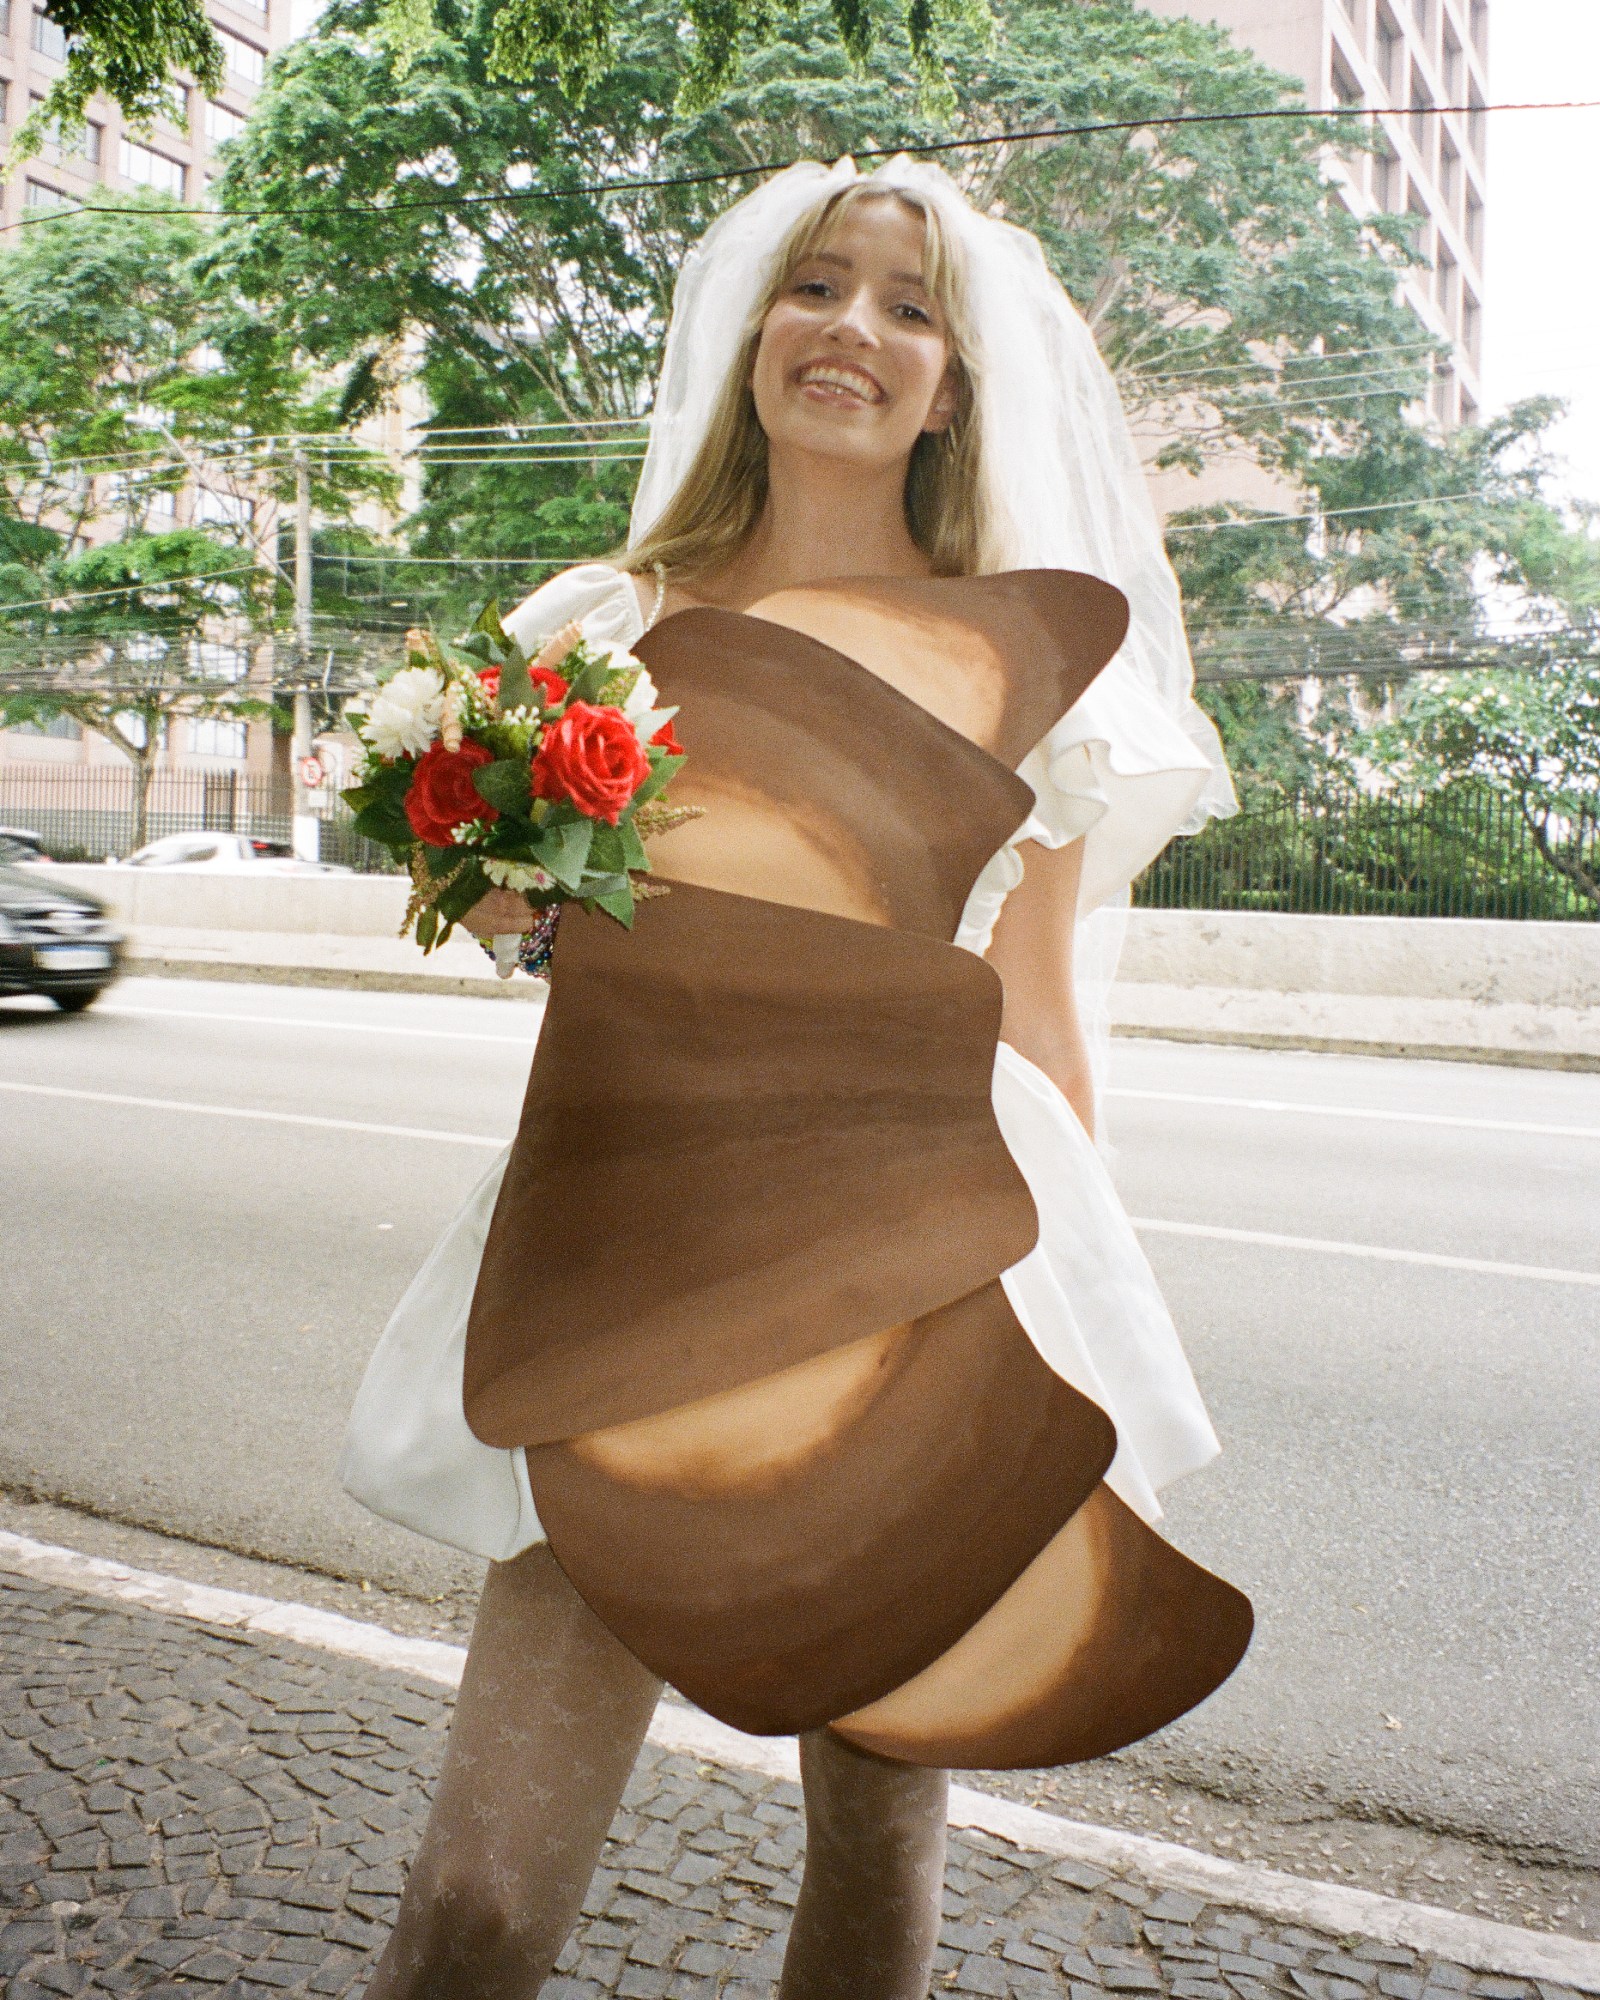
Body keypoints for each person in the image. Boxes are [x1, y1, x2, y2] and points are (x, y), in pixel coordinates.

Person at [344, 156, 1245, 2000]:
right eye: (821, 287)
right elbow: (537, 949)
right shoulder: (599, 624)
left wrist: (1085, 1319)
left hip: (940, 1250)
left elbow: (1045, 1011)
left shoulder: (1029, 663)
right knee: (480, 1905)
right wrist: (525, 910)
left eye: (913, 309)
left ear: (959, 380)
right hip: (633, 1248)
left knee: (877, 1858)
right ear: (755, 325)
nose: (857, 332)